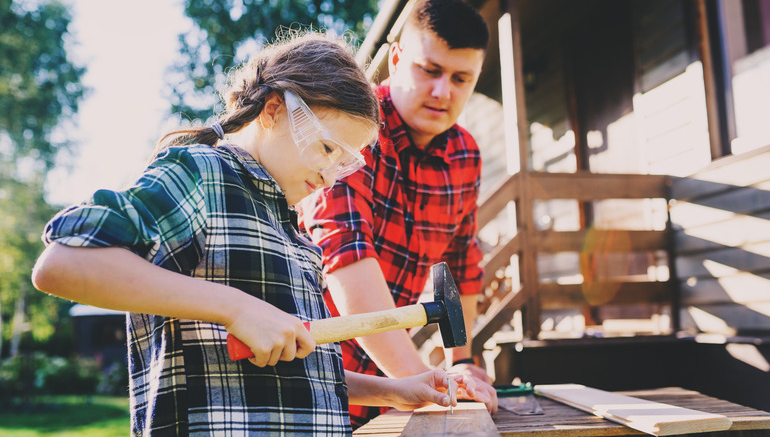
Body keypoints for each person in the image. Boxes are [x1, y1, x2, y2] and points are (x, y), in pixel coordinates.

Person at [31, 31, 478, 436]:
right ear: (272, 111)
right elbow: (63, 261)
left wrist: (394, 390)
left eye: (345, 163)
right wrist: (235, 309)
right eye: (326, 148)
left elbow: (302, 367)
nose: (329, 176)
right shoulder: (203, 174)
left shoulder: (296, 235)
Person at [298, 0, 498, 428]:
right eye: (430, 70)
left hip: (389, 386)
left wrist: (461, 362)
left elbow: (461, 264)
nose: (443, 91)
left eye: (460, 78)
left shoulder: (466, 154)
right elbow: (344, 254)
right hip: (309, 376)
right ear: (395, 58)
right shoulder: (349, 128)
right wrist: (422, 382)